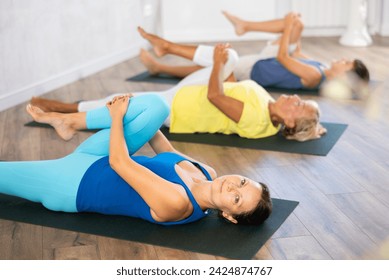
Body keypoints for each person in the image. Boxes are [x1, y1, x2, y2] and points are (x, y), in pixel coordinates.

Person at [0, 94, 272, 226]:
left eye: (236, 199)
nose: (232, 187)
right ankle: (68, 121)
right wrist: (144, 119)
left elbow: (121, 163)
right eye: (242, 182)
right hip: (97, 156)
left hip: (72, 184)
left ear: (229, 216)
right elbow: (162, 146)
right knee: (157, 107)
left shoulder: (178, 204)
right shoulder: (207, 171)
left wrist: (118, 116)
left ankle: (69, 120)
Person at [31, 28, 326, 142]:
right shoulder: (266, 102)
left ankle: (66, 115)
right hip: (189, 94)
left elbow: (215, 95)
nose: (297, 99)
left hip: (179, 108)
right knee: (231, 57)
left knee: (123, 103)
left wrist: (219, 64)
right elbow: (233, 85)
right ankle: (166, 47)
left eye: (299, 106)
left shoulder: (257, 119)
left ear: (288, 121)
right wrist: (223, 65)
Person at [222, 11, 370, 89]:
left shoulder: (315, 75)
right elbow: (297, 54)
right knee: (298, 23)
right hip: (269, 61)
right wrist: (295, 29)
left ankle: (244, 26)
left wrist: (287, 26)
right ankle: (244, 26)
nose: (343, 59)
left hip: (254, 69)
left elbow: (283, 57)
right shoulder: (322, 68)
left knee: (221, 63)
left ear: (343, 77)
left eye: (345, 64)